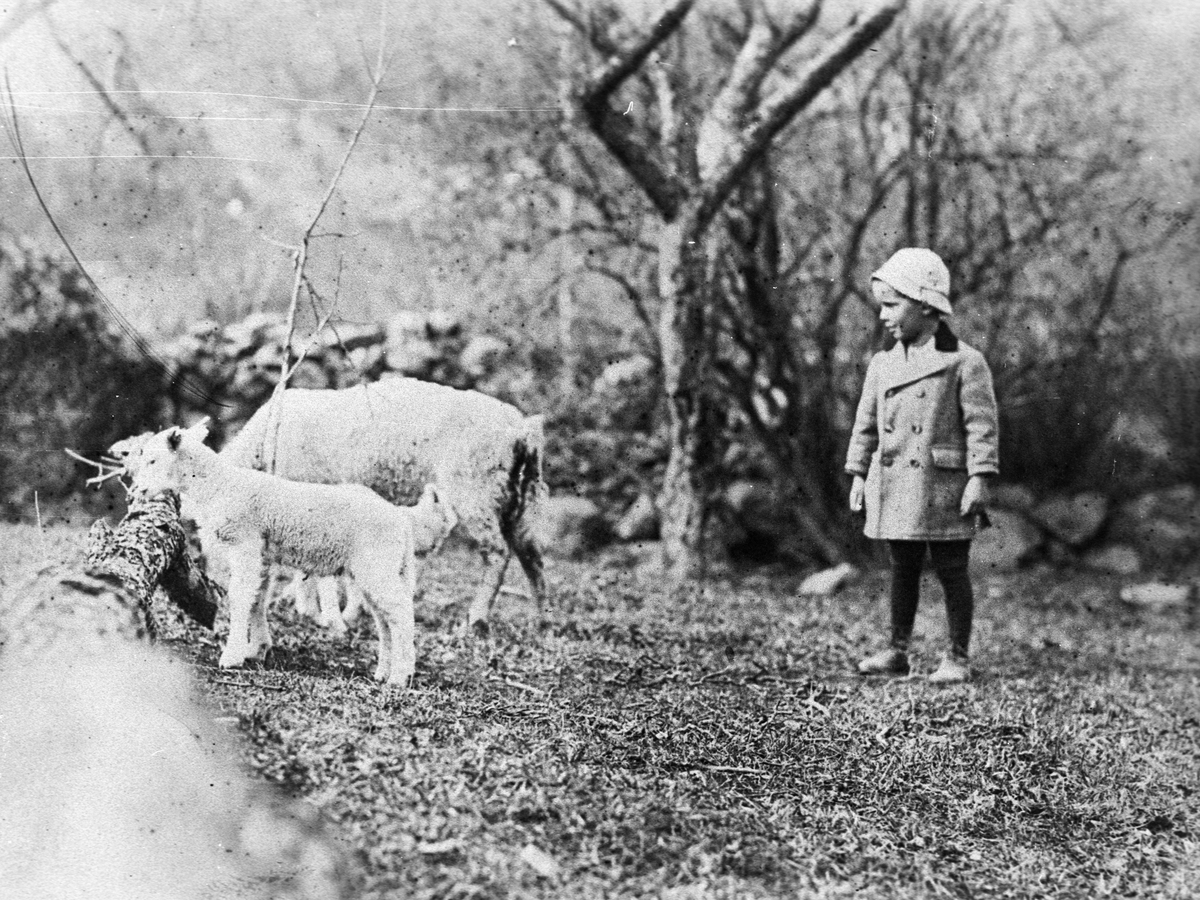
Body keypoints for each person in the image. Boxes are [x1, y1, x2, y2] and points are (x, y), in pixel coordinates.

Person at [845, 248, 999, 684]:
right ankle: (896, 650)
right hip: (894, 483)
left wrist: (980, 478)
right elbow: (866, 424)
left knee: (952, 569)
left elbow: (982, 427)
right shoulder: (883, 363)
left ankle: (958, 657)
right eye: (881, 306)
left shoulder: (964, 361)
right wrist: (858, 473)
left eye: (893, 305)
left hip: (943, 484)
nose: (884, 317)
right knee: (903, 567)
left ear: (927, 305)